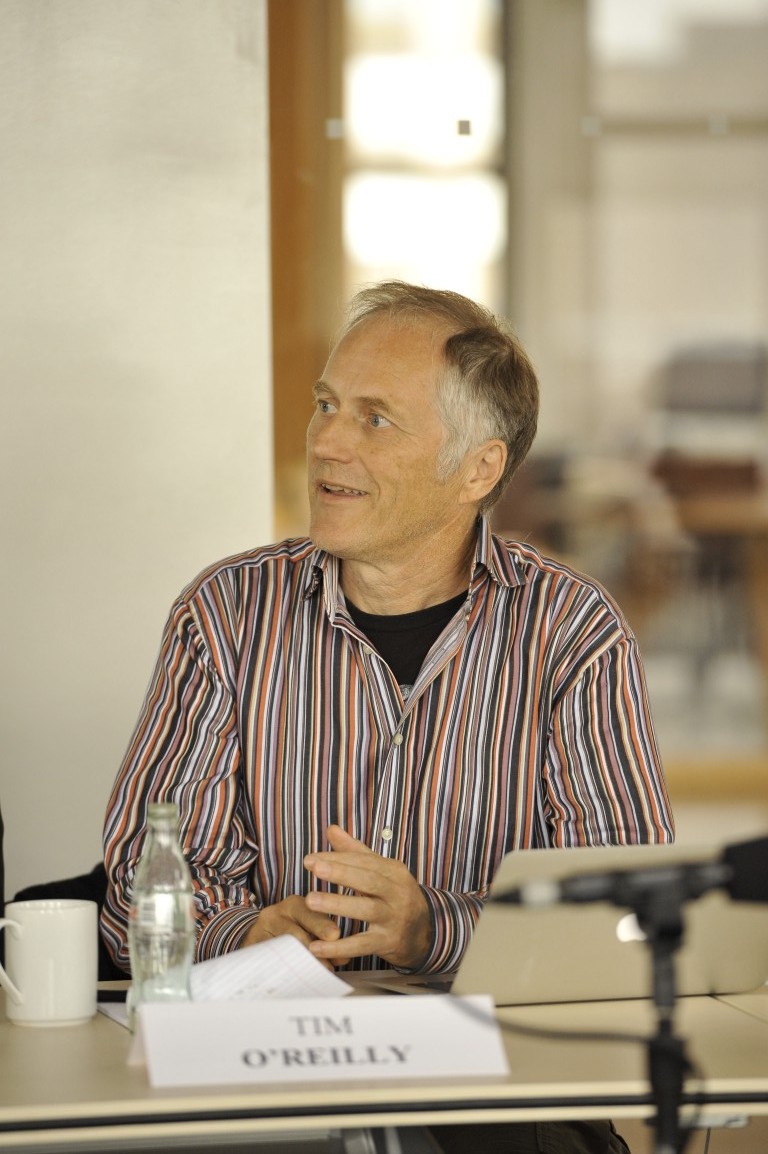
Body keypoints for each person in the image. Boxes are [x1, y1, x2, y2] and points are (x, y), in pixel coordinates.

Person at [103, 281, 673, 1152]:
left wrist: (427, 928)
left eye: (375, 419)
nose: (326, 441)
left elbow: (628, 920)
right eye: (327, 405)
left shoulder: (573, 634)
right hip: (268, 1084)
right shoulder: (225, 612)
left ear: (477, 468)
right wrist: (249, 932)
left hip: (498, 1089)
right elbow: (138, 886)